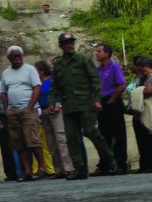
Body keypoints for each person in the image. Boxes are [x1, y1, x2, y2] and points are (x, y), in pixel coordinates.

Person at [49, 32, 116, 180]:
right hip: (68, 105)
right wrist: (51, 103)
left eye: (72, 42)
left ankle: (109, 159)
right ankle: (79, 168)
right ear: (61, 46)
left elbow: (95, 81)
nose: (70, 45)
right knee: (71, 138)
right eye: (67, 43)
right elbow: (54, 86)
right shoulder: (58, 64)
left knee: (92, 131)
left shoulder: (83, 60)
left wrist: (97, 99)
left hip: (85, 103)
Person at [0, 46, 47, 182]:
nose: (17, 58)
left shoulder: (30, 69)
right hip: (13, 112)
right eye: (14, 56)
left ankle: (42, 168)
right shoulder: (6, 73)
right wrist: (6, 108)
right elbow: (3, 92)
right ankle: (28, 171)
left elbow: (37, 87)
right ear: (9, 58)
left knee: (33, 140)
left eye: (19, 55)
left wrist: (30, 106)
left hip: (28, 110)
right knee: (19, 143)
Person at [35, 60, 73, 178]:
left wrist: (58, 105)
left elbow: (61, 93)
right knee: (51, 142)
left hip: (55, 110)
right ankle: (59, 169)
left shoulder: (51, 80)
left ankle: (68, 168)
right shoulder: (39, 84)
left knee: (60, 138)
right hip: (45, 112)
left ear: (42, 71)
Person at [95, 44, 128, 174]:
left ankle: (121, 164)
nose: (96, 54)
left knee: (118, 134)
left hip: (113, 101)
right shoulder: (98, 70)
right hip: (102, 102)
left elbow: (122, 84)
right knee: (104, 135)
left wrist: (112, 100)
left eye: (99, 51)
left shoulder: (114, 67)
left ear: (107, 54)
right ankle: (106, 165)